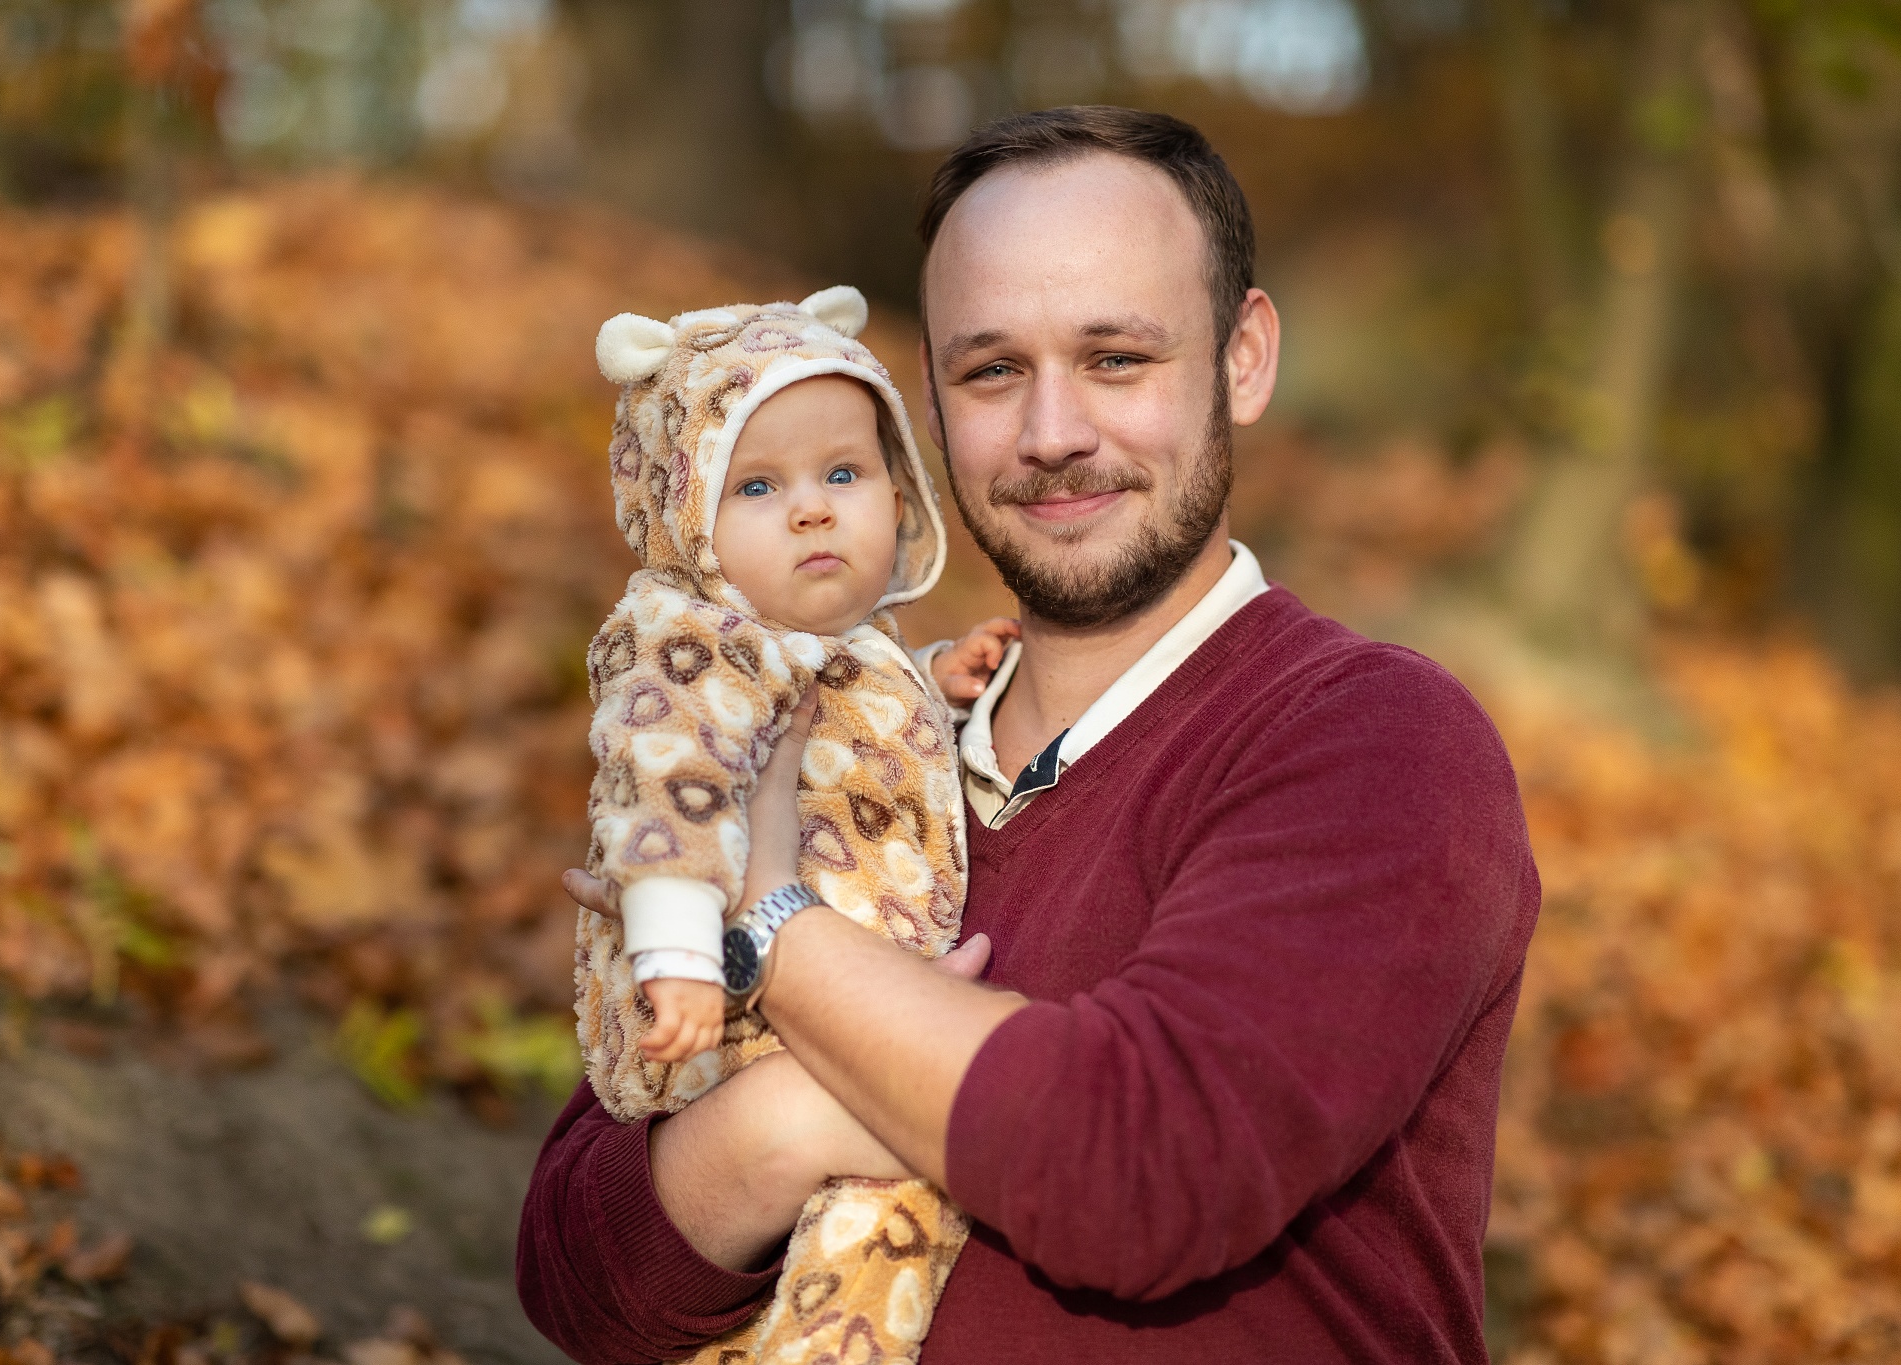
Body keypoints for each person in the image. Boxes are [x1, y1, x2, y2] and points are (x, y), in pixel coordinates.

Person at [520, 105, 1540, 1363]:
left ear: (1241, 359)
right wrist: (794, 1120)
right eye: (991, 371)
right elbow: (579, 1278)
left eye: (1115, 358)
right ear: (928, 403)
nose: (1052, 432)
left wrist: (772, 928)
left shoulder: (1378, 741)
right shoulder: (842, 737)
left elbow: (1143, 1172)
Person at [575, 285, 1013, 1364]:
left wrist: (930, 680)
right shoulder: (693, 646)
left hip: (843, 1005)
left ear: (898, 489)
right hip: (738, 1014)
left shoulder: (841, 645)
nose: (812, 510)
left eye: (843, 474)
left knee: (883, 1226)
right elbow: (664, 792)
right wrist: (680, 956)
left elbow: (841, 729)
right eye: (759, 485)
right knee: (882, 1218)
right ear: (685, 516)